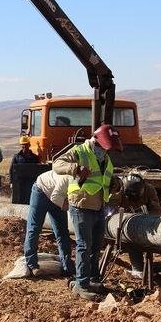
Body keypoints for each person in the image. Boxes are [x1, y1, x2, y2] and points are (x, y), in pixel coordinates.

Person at [53, 124, 122, 301]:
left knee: (95, 245)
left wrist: (114, 184)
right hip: (81, 205)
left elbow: (103, 179)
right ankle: (81, 284)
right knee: (84, 245)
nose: (104, 152)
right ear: (97, 141)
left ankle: (92, 279)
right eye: (103, 148)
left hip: (99, 206)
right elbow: (57, 164)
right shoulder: (80, 151)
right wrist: (75, 169)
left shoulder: (106, 157)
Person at [112, 170, 161, 286]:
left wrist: (145, 219)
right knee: (136, 261)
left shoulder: (149, 190)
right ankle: (144, 269)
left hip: (148, 225)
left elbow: (157, 211)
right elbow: (112, 205)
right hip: (130, 228)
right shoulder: (121, 190)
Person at [23, 170, 74, 277]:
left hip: (59, 195)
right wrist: (67, 206)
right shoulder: (68, 179)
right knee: (34, 228)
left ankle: (67, 266)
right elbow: (55, 197)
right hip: (42, 191)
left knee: (62, 231)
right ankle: (32, 265)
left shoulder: (83, 183)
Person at [9, 136, 40, 204]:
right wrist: (11, 182)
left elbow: (37, 170)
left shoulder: (34, 157)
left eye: (25, 145)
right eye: (23, 145)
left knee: (30, 199)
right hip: (19, 183)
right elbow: (11, 170)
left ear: (29, 145)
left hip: (31, 182)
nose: (24, 147)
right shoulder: (16, 157)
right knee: (20, 199)